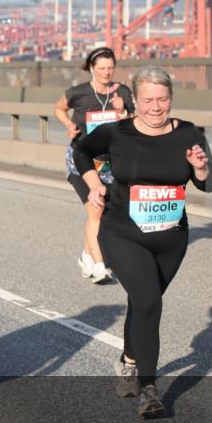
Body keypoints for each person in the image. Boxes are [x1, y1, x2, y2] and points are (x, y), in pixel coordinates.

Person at [73, 66, 212, 418]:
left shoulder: (189, 133)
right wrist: (95, 184)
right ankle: (149, 389)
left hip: (171, 237)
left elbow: (208, 182)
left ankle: (129, 359)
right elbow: (81, 151)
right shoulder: (116, 132)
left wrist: (199, 168)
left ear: (171, 99)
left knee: (143, 302)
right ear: (134, 100)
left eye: (162, 99)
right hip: (123, 231)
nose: (156, 107)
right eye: (148, 100)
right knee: (150, 301)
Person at [55, 47, 135, 284]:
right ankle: (101, 267)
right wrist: (69, 125)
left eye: (110, 68)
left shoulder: (123, 92)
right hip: (80, 159)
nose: (106, 72)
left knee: (101, 211)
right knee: (96, 209)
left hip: (108, 162)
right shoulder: (78, 93)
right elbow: (59, 108)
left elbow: (133, 122)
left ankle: (86, 256)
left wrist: (122, 110)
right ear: (92, 68)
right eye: (102, 68)